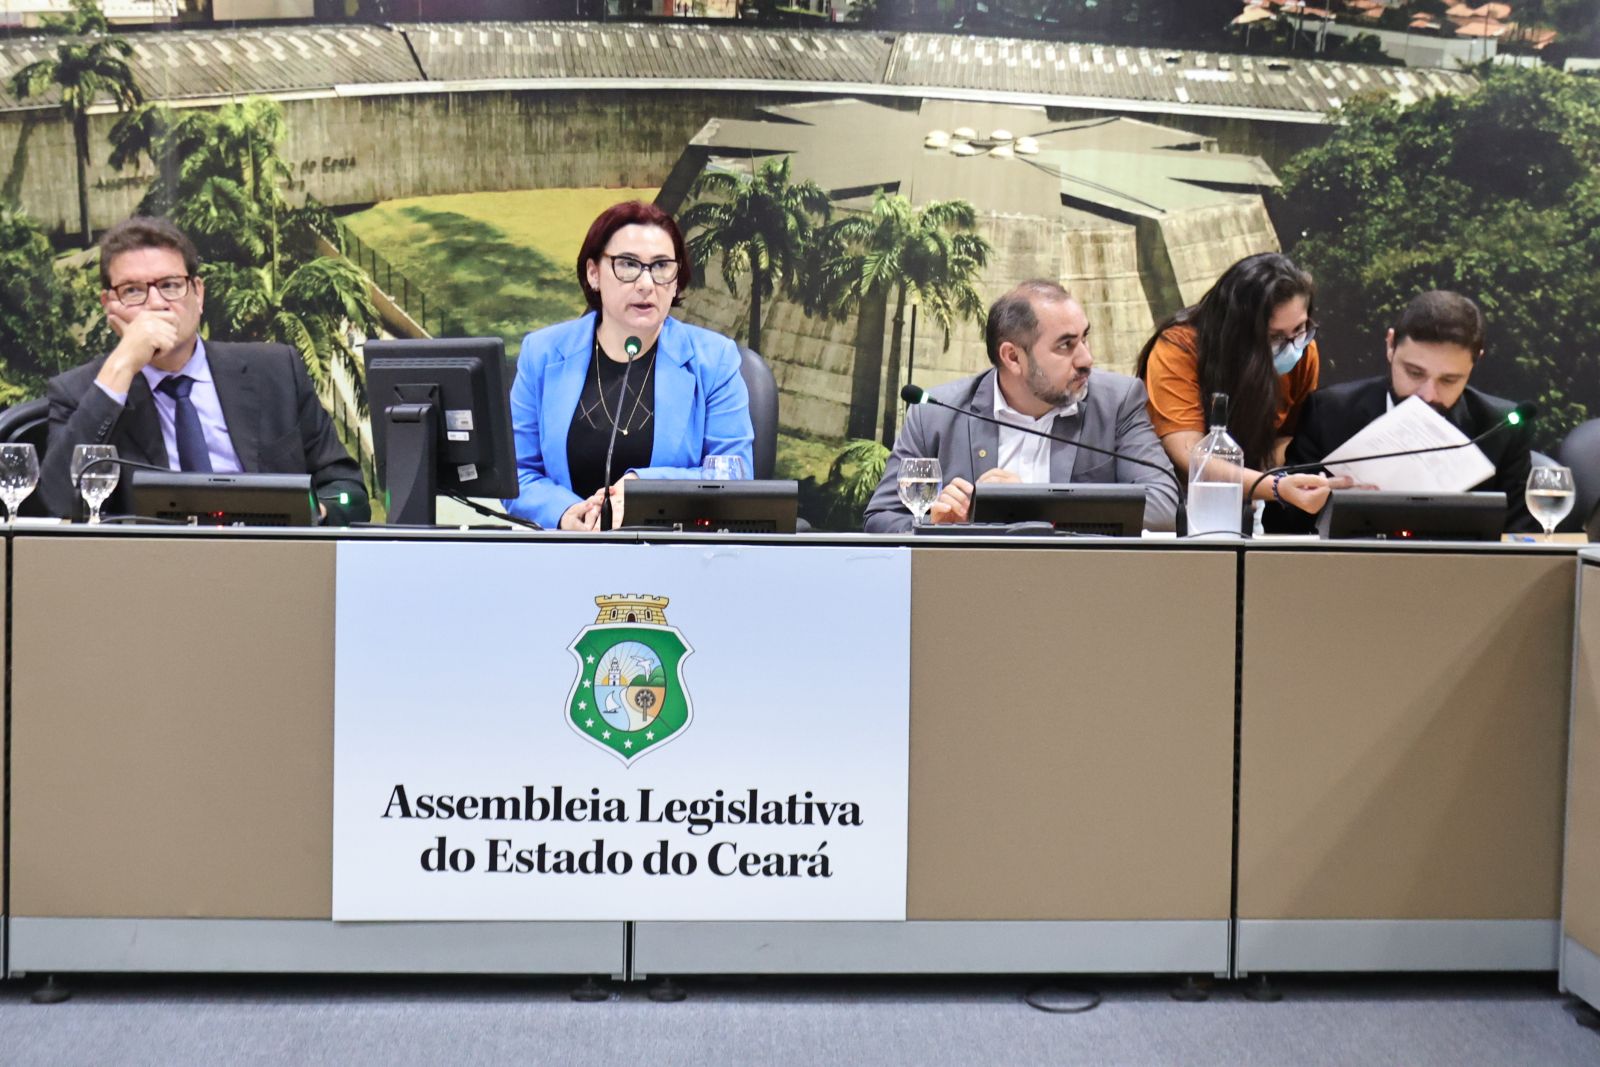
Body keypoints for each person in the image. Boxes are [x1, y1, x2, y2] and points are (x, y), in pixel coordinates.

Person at [40, 216, 368, 523]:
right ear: (108, 305)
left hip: (270, 556)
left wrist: (308, 512)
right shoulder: (81, 393)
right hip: (153, 562)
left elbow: (348, 493)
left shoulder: (276, 372)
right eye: (133, 291)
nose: (156, 304)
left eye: (170, 285)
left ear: (198, 294)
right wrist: (123, 364)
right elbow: (56, 503)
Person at [503, 201, 753, 530]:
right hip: (569, 550)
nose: (646, 283)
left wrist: (643, 489)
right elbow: (517, 473)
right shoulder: (543, 353)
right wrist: (566, 513)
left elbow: (734, 477)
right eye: (628, 264)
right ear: (594, 273)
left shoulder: (714, 360)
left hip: (672, 551)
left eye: (661, 266)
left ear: (676, 281)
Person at [864, 280, 1179, 532]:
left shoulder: (1117, 402)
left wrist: (1030, 505)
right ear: (1013, 357)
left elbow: (1162, 506)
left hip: (1079, 584)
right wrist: (935, 525)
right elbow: (881, 519)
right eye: (1066, 345)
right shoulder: (935, 415)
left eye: (1084, 338)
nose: (1086, 359)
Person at [1284, 290, 1538, 533]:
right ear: (1391, 345)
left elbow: (1523, 535)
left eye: (1449, 380)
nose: (1428, 395)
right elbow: (1284, 523)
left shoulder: (1500, 429)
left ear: (1475, 362)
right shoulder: (1329, 412)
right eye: (1415, 373)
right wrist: (1321, 504)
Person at [1138, 252, 1343, 523]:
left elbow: (1286, 439)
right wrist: (1276, 487)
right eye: (1274, 337)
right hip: (1180, 508)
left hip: (1255, 504)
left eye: (1299, 329)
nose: (1292, 346)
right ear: (1237, 332)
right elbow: (1189, 456)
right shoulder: (1179, 347)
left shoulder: (1303, 350)